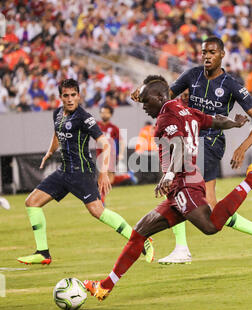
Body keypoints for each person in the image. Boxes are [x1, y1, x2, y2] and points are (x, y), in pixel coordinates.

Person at [84, 75, 252, 301]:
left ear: (160, 97)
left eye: (147, 102)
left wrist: (169, 175)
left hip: (183, 184)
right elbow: (214, 120)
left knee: (210, 226)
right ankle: (104, 286)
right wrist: (234, 123)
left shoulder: (166, 115)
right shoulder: (184, 110)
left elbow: (179, 144)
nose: (144, 107)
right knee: (139, 232)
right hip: (182, 184)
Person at [132, 36, 252, 265]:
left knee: (180, 189)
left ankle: (183, 248)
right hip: (187, 142)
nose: (207, 56)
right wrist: (143, 92)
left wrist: (242, 147)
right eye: (204, 52)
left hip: (209, 143)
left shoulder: (231, 84)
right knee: (208, 204)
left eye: (211, 52)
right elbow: (163, 96)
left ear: (222, 55)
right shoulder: (192, 75)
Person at [17, 79, 154, 265]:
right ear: (61, 97)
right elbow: (57, 133)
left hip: (81, 172)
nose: (70, 99)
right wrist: (50, 152)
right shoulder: (57, 113)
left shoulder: (84, 117)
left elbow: (105, 144)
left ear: (79, 96)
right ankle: (43, 253)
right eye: (66, 95)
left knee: (98, 212)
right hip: (64, 171)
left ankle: (141, 240)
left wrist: (104, 172)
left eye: (73, 95)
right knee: (32, 202)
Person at [96, 104, 137, 199]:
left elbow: (121, 141)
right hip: (100, 155)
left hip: (111, 155)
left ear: (110, 114)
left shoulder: (114, 128)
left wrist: (121, 154)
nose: (104, 114)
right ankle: (127, 176)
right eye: (102, 112)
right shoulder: (96, 125)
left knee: (103, 178)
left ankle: (101, 200)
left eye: (106, 112)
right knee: (110, 180)